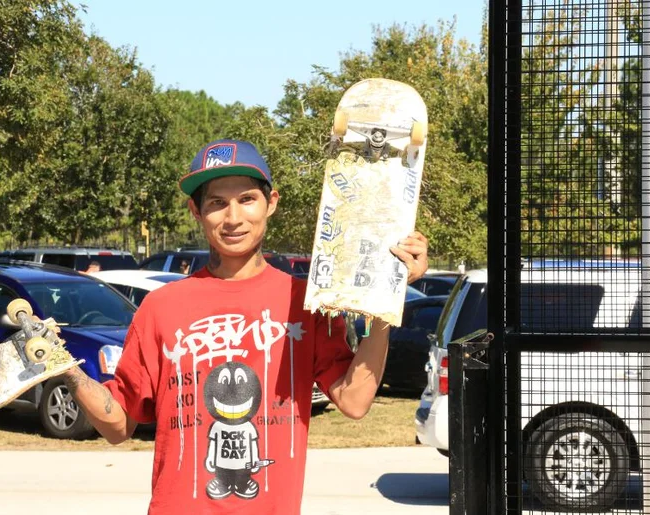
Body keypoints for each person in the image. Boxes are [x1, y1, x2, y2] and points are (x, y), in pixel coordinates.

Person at [61, 139, 428, 514]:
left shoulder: (308, 303)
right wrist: (69, 372)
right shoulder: (161, 307)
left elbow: (354, 401)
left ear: (271, 204)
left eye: (247, 199)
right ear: (196, 211)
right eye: (217, 203)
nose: (233, 217)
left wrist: (389, 296)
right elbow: (117, 426)